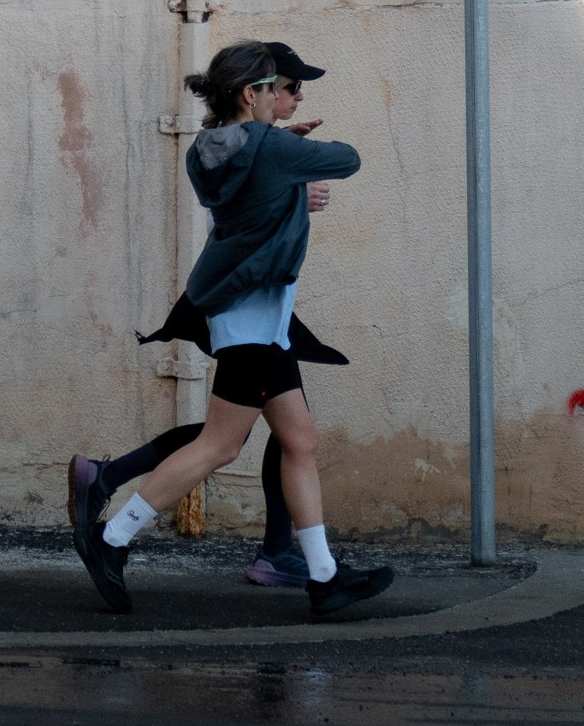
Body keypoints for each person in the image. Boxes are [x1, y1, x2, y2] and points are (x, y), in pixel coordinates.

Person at [71, 39, 393, 620]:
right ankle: (111, 538)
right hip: (251, 317)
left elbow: (256, 200)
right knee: (219, 444)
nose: (282, 97)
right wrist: (292, 148)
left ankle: (324, 576)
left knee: (299, 440)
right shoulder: (269, 145)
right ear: (253, 93)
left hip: (254, 316)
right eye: (276, 88)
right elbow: (347, 158)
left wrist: (282, 153)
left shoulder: (210, 148)